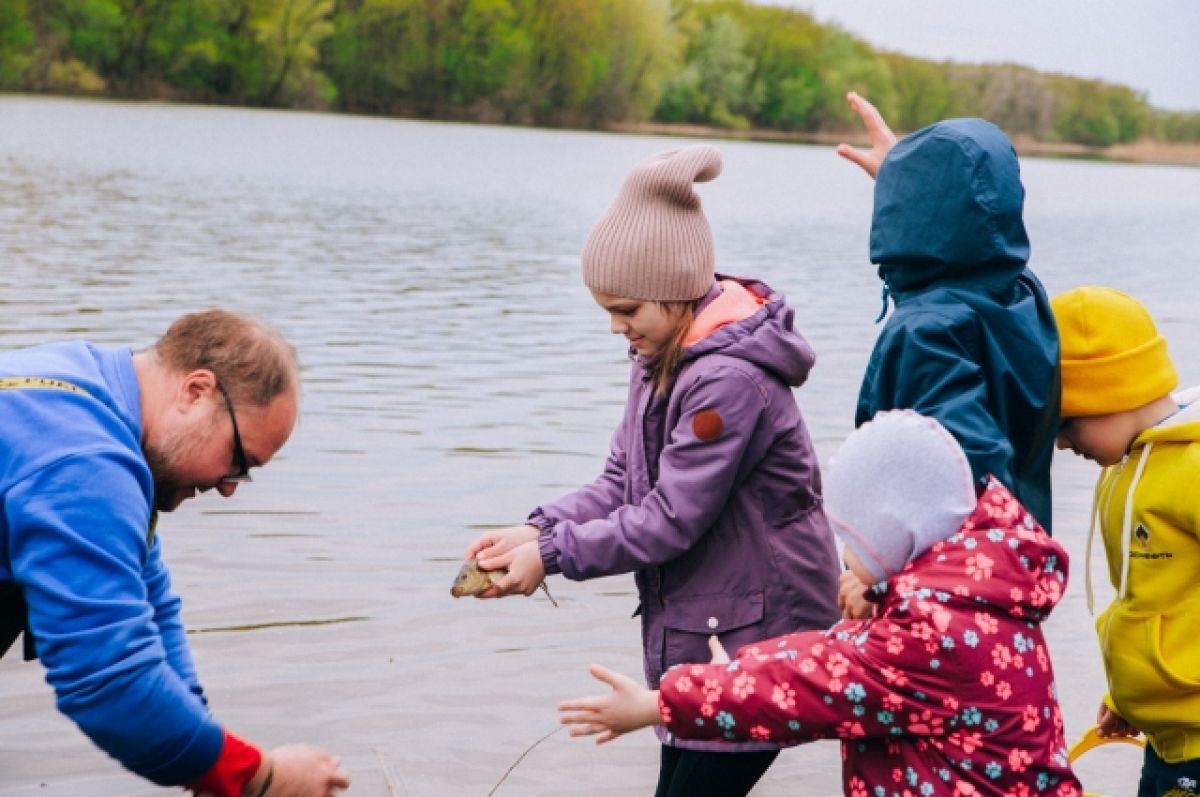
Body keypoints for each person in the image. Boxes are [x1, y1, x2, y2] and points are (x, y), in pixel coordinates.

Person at [464, 144, 841, 797]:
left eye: (627, 309)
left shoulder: (725, 381)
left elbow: (671, 519)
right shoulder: (662, 355)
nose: (615, 327)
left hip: (764, 630)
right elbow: (620, 482)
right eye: (607, 309)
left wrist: (551, 556)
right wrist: (535, 529)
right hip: (713, 618)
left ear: (675, 292)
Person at [558, 410, 1083, 796]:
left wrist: (660, 704)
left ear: (894, 535)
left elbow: (802, 687)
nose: (844, 558)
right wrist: (743, 664)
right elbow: (838, 652)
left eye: (851, 541)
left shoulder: (931, 634)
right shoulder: (973, 596)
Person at [0, 310, 350, 797]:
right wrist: (261, 778)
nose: (229, 488)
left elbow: (149, 597)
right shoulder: (85, 461)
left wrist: (208, 756)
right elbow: (109, 682)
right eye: (238, 460)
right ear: (196, 391)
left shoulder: (83, 383)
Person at [835, 91, 1060, 534]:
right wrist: (903, 181)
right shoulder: (1021, 296)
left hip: (948, 584)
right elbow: (963, 258)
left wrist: (870, 566)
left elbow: (965, 474)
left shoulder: (925, 331)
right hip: (1022, 569)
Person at [1051, 285, 1200, 796]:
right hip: (1164, 736)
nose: (1061, 443)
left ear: (1104, 398)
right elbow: (1146, 597)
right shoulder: (1126, 466)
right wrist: (1129, 692)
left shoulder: (1192, 464)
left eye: (1065, 424)